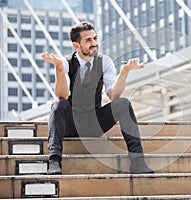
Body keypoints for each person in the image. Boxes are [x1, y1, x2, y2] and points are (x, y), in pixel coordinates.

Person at [41, 21, 153, 174]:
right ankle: (54, 160)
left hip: (94, 124)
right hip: (71, 125)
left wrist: (124, 72)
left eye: (95, 38)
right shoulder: (66, 63)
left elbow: (113, 95)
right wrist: (59, 68)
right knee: (58, 105)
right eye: (88, 40)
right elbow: (63, 95)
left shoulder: (105, 62)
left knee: (123, 103)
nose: (94, 43)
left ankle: (138, 161)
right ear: (76, 45)